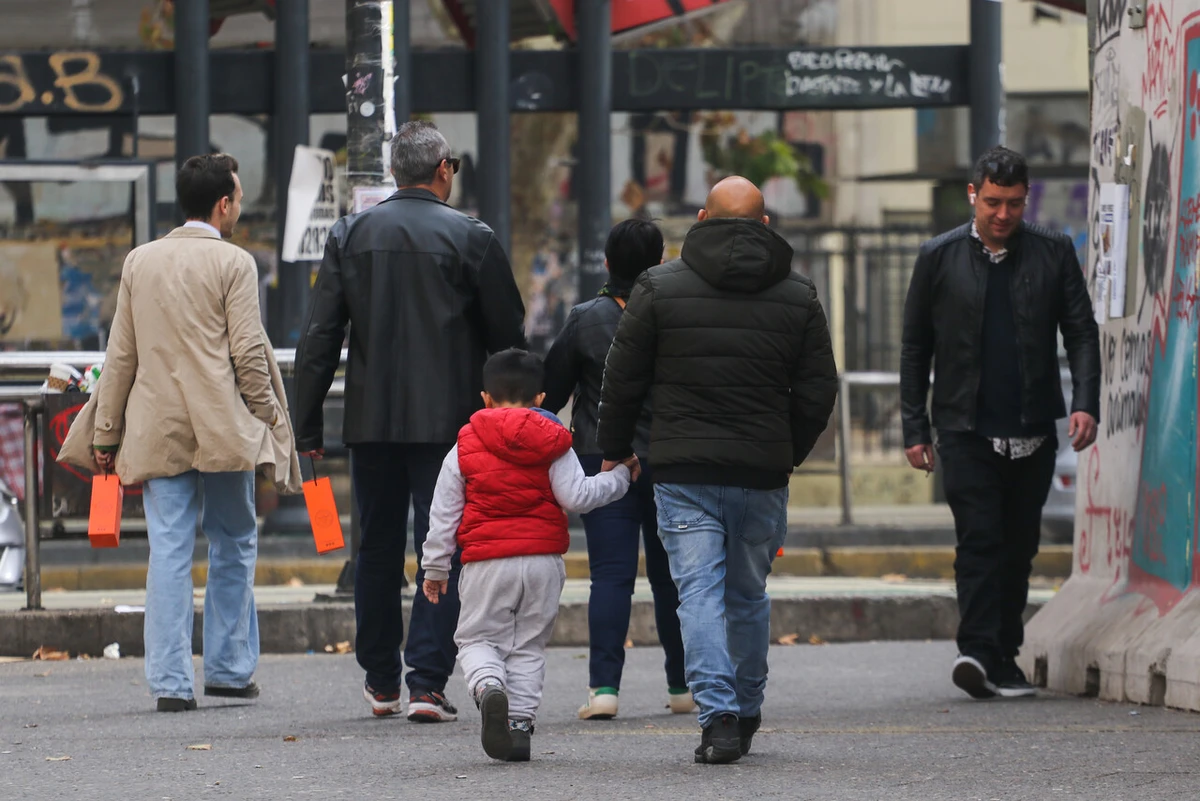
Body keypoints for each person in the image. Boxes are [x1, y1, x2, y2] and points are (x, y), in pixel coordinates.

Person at [597, 176, 839, 764]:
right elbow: (817, 390)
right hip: (762, 472)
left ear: (702, 218)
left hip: (682, 470)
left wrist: (613, 447)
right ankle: (748, 708)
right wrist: (788, 450)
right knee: (748, 594)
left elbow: (622, 379)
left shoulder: (658, 286)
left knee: (697, 594)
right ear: (764, 224)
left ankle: (719, 718)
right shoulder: (799, 294)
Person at [293, 121, 527, 722]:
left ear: (396, 171)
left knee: (376, 546)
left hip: (371, 420)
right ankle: (427, 680)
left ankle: (380, 679)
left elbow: (320, 337)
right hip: (452, 425)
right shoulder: (471, 238)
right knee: (442, 544)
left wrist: (307, 424)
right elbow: (509, 338)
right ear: (443, 168)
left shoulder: (351, 234)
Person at [59, 153, 302, 712]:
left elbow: (121, 356)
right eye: (238, 199)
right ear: (223, 204)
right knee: (234, 542)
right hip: (223, 430)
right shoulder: (235, 264)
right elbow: (246, 353)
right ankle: (228, 668)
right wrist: (267, 417)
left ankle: (170, 683)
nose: (239, 208)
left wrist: (105, 434)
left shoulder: (140, 262)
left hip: (157, 429)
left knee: (168, 550)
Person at [900, 145, 1100, 700]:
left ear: (1025, 198)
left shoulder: (1053, 252)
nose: (1003, 214)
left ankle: (1003, 657)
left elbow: (1081, 332)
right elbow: (916, 347)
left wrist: (1086, 401)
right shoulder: (937, 257)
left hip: (1033, 427)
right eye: (992, 202)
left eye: (1013, 203)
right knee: (979, 540)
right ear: (973, 195)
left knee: (1019, 548)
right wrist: (914, 429)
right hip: (965, 430)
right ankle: (976, 650)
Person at [421, 349, 634, 761]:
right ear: (541, 399)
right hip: (542, 562)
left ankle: (488, 687)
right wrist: (621, 476)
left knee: (477, 638)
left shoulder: (463, 448)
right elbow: (578, 496)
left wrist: (435, 567)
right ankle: (518, 727)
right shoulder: (554, 441)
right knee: (529, 646)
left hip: (486, 562)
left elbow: (443, 514)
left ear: (485, 398)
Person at [542, 218, 691, 720]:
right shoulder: (680, 313)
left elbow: (553, 394)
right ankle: (682, 685)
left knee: (610, 578)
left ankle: (604, 689)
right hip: (670, 461)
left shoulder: (586, 318)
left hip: (603, 459)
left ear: (607, 263)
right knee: (674, 578)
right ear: (663, 260)